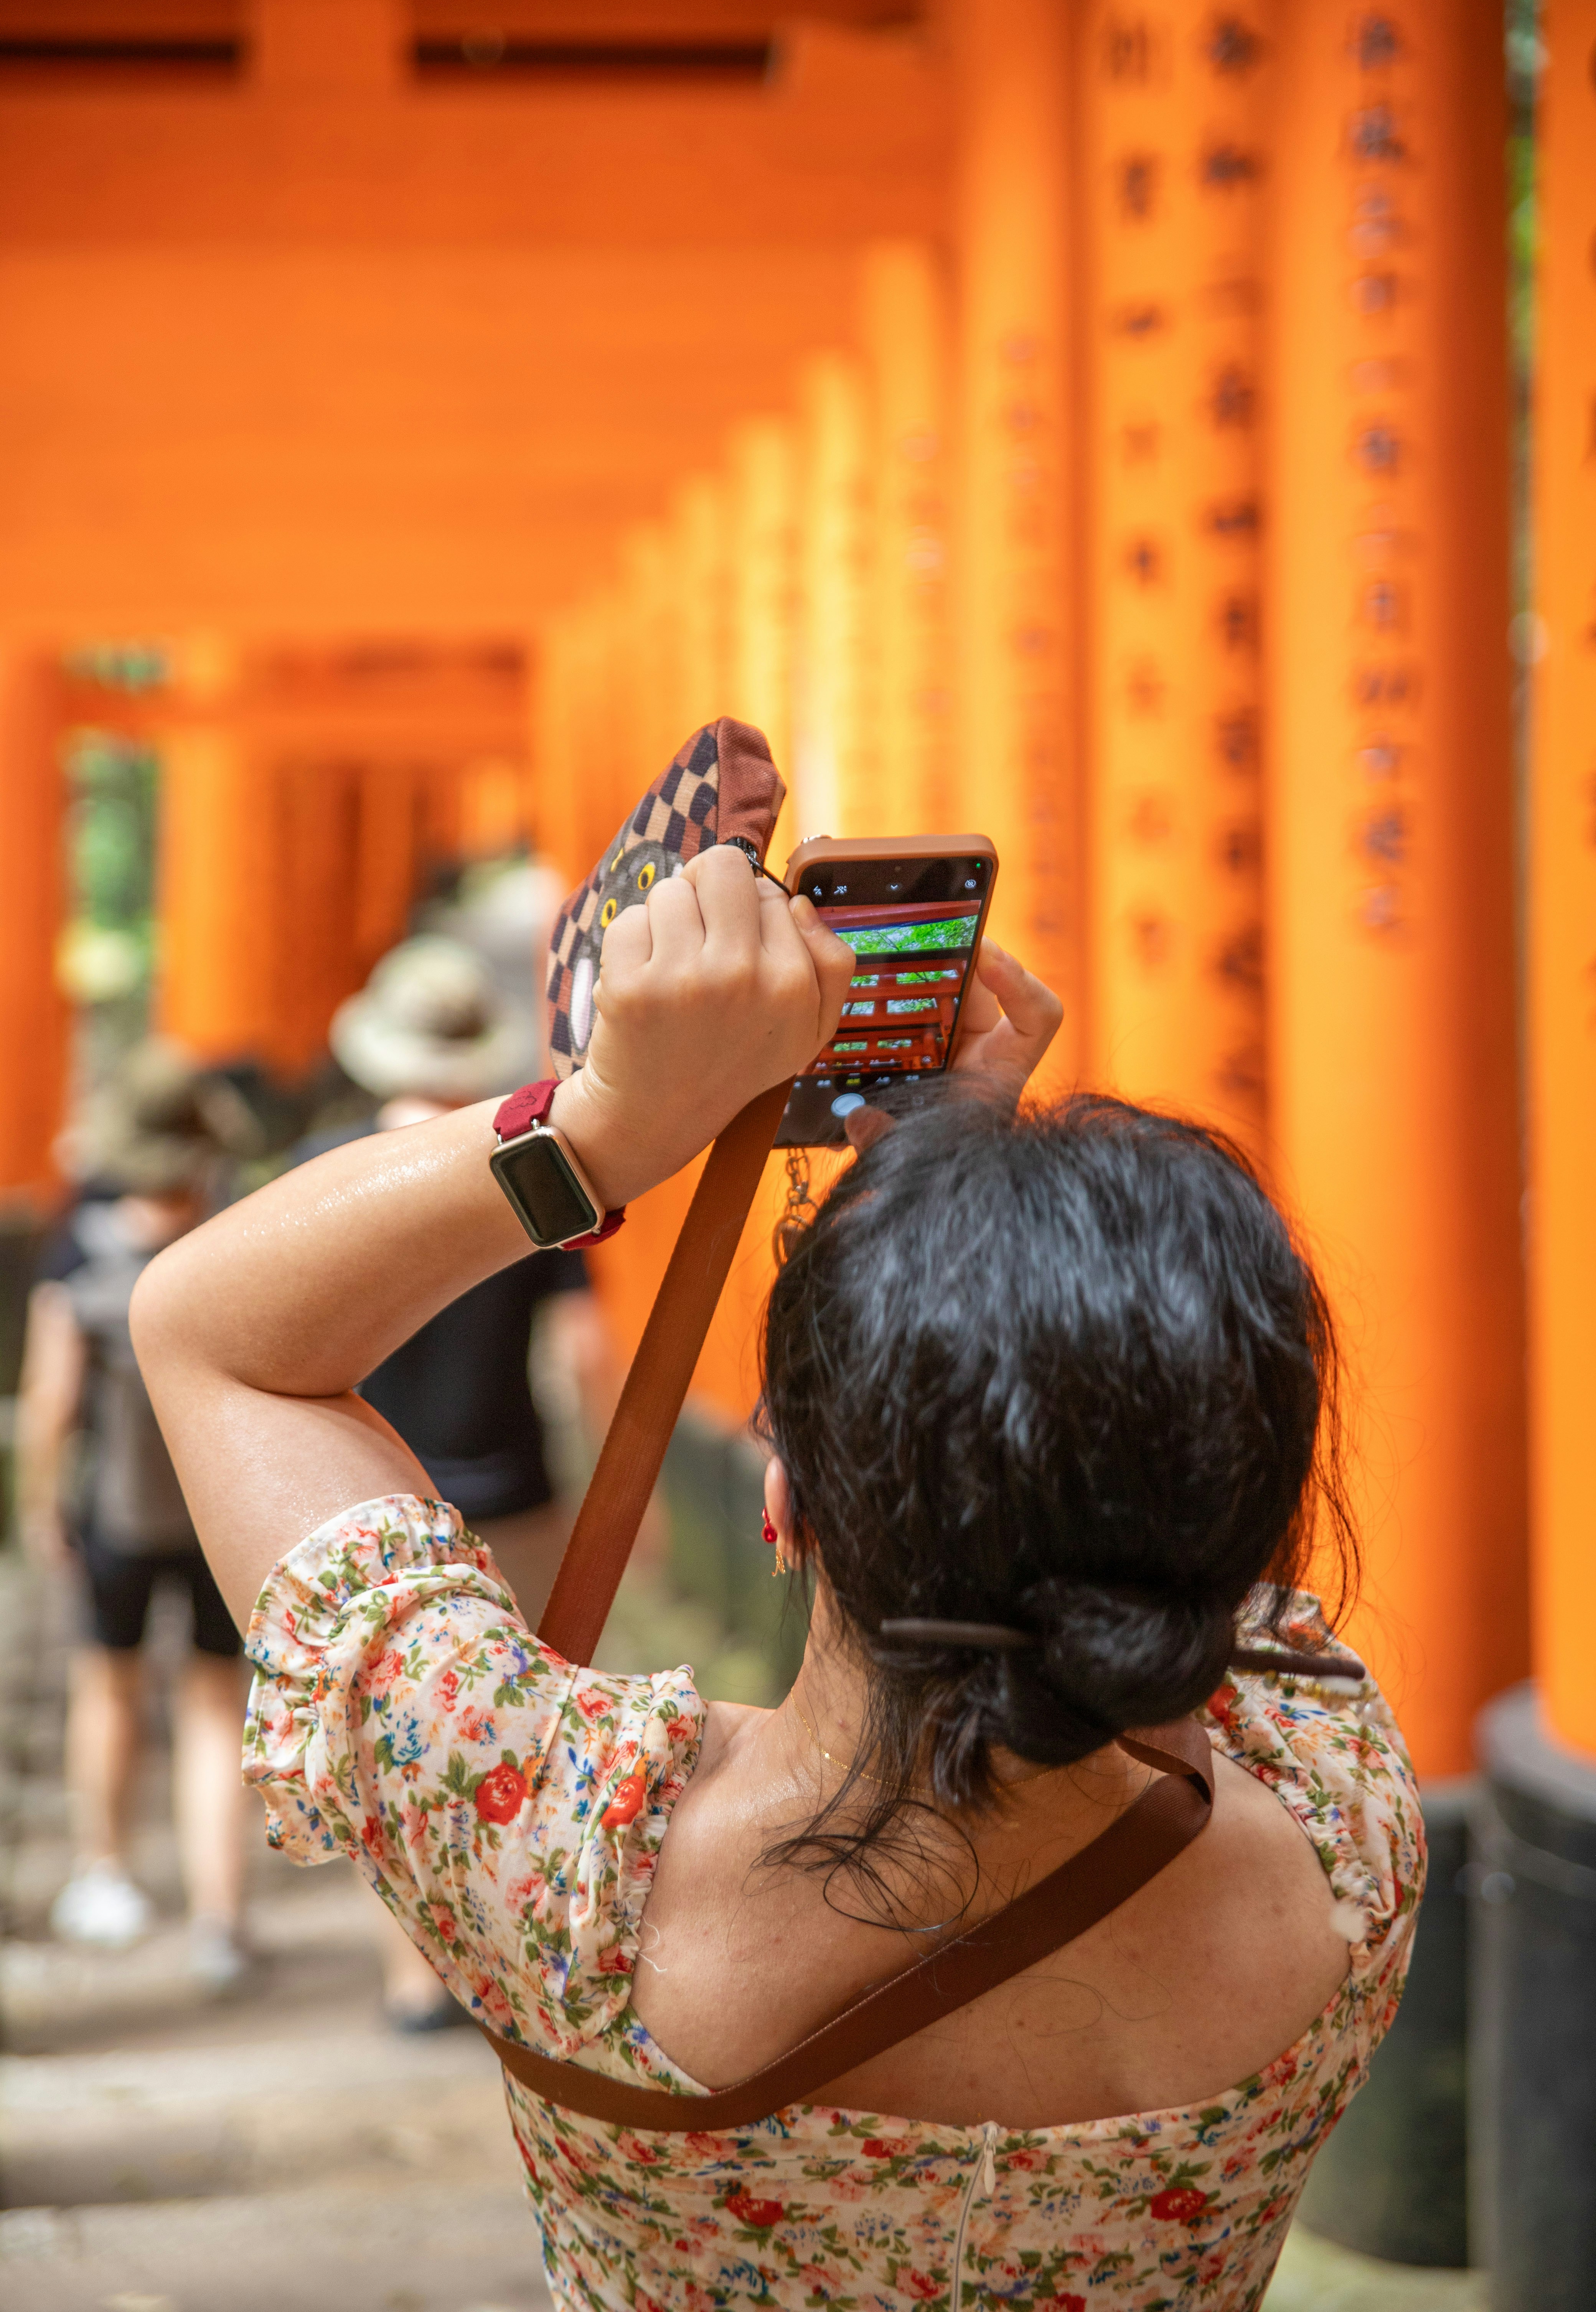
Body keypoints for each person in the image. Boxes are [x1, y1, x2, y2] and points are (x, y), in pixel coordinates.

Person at [133, 850, 1421, 2308]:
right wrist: (953, 1232)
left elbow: (212, 1335)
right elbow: (1160, 1501)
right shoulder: (1341, 1840)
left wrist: (607, 1131)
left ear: (783, 1496)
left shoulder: (557, 1866)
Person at [302, 931, 640, 2028]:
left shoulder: (329, 1176)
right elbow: (583, 1349)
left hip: (374, 1498)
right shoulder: (526, 1170)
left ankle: (414, 1973)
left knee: (382, 1738)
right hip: (514, 1491)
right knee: (526, 1723)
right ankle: (508, 1950)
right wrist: (625, 1485)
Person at [17, 1040, 257, 1985]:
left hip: (114, 1514)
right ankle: (220, 1914)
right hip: (217, 1513)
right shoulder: (233, 1239)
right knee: (210, 1704)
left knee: (109, 1691)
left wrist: (41, 1501)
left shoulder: (83, 1249)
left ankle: (107, 1872)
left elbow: (49, 1400)